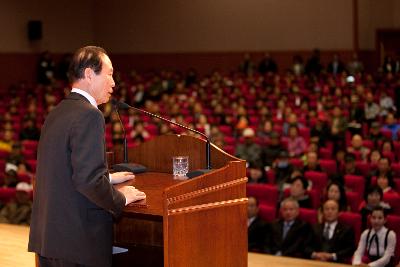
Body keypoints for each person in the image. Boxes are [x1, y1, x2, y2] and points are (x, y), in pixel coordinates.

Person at [28, 46, 146, 267]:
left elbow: (63, 169)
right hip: (78, 243)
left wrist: (108, 177)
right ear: (90, 74)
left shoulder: (58, 112)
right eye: (109, 74)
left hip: (51, 239)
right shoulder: (90, 115)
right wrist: (122, 198)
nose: (113, 83)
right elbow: (88, 181)